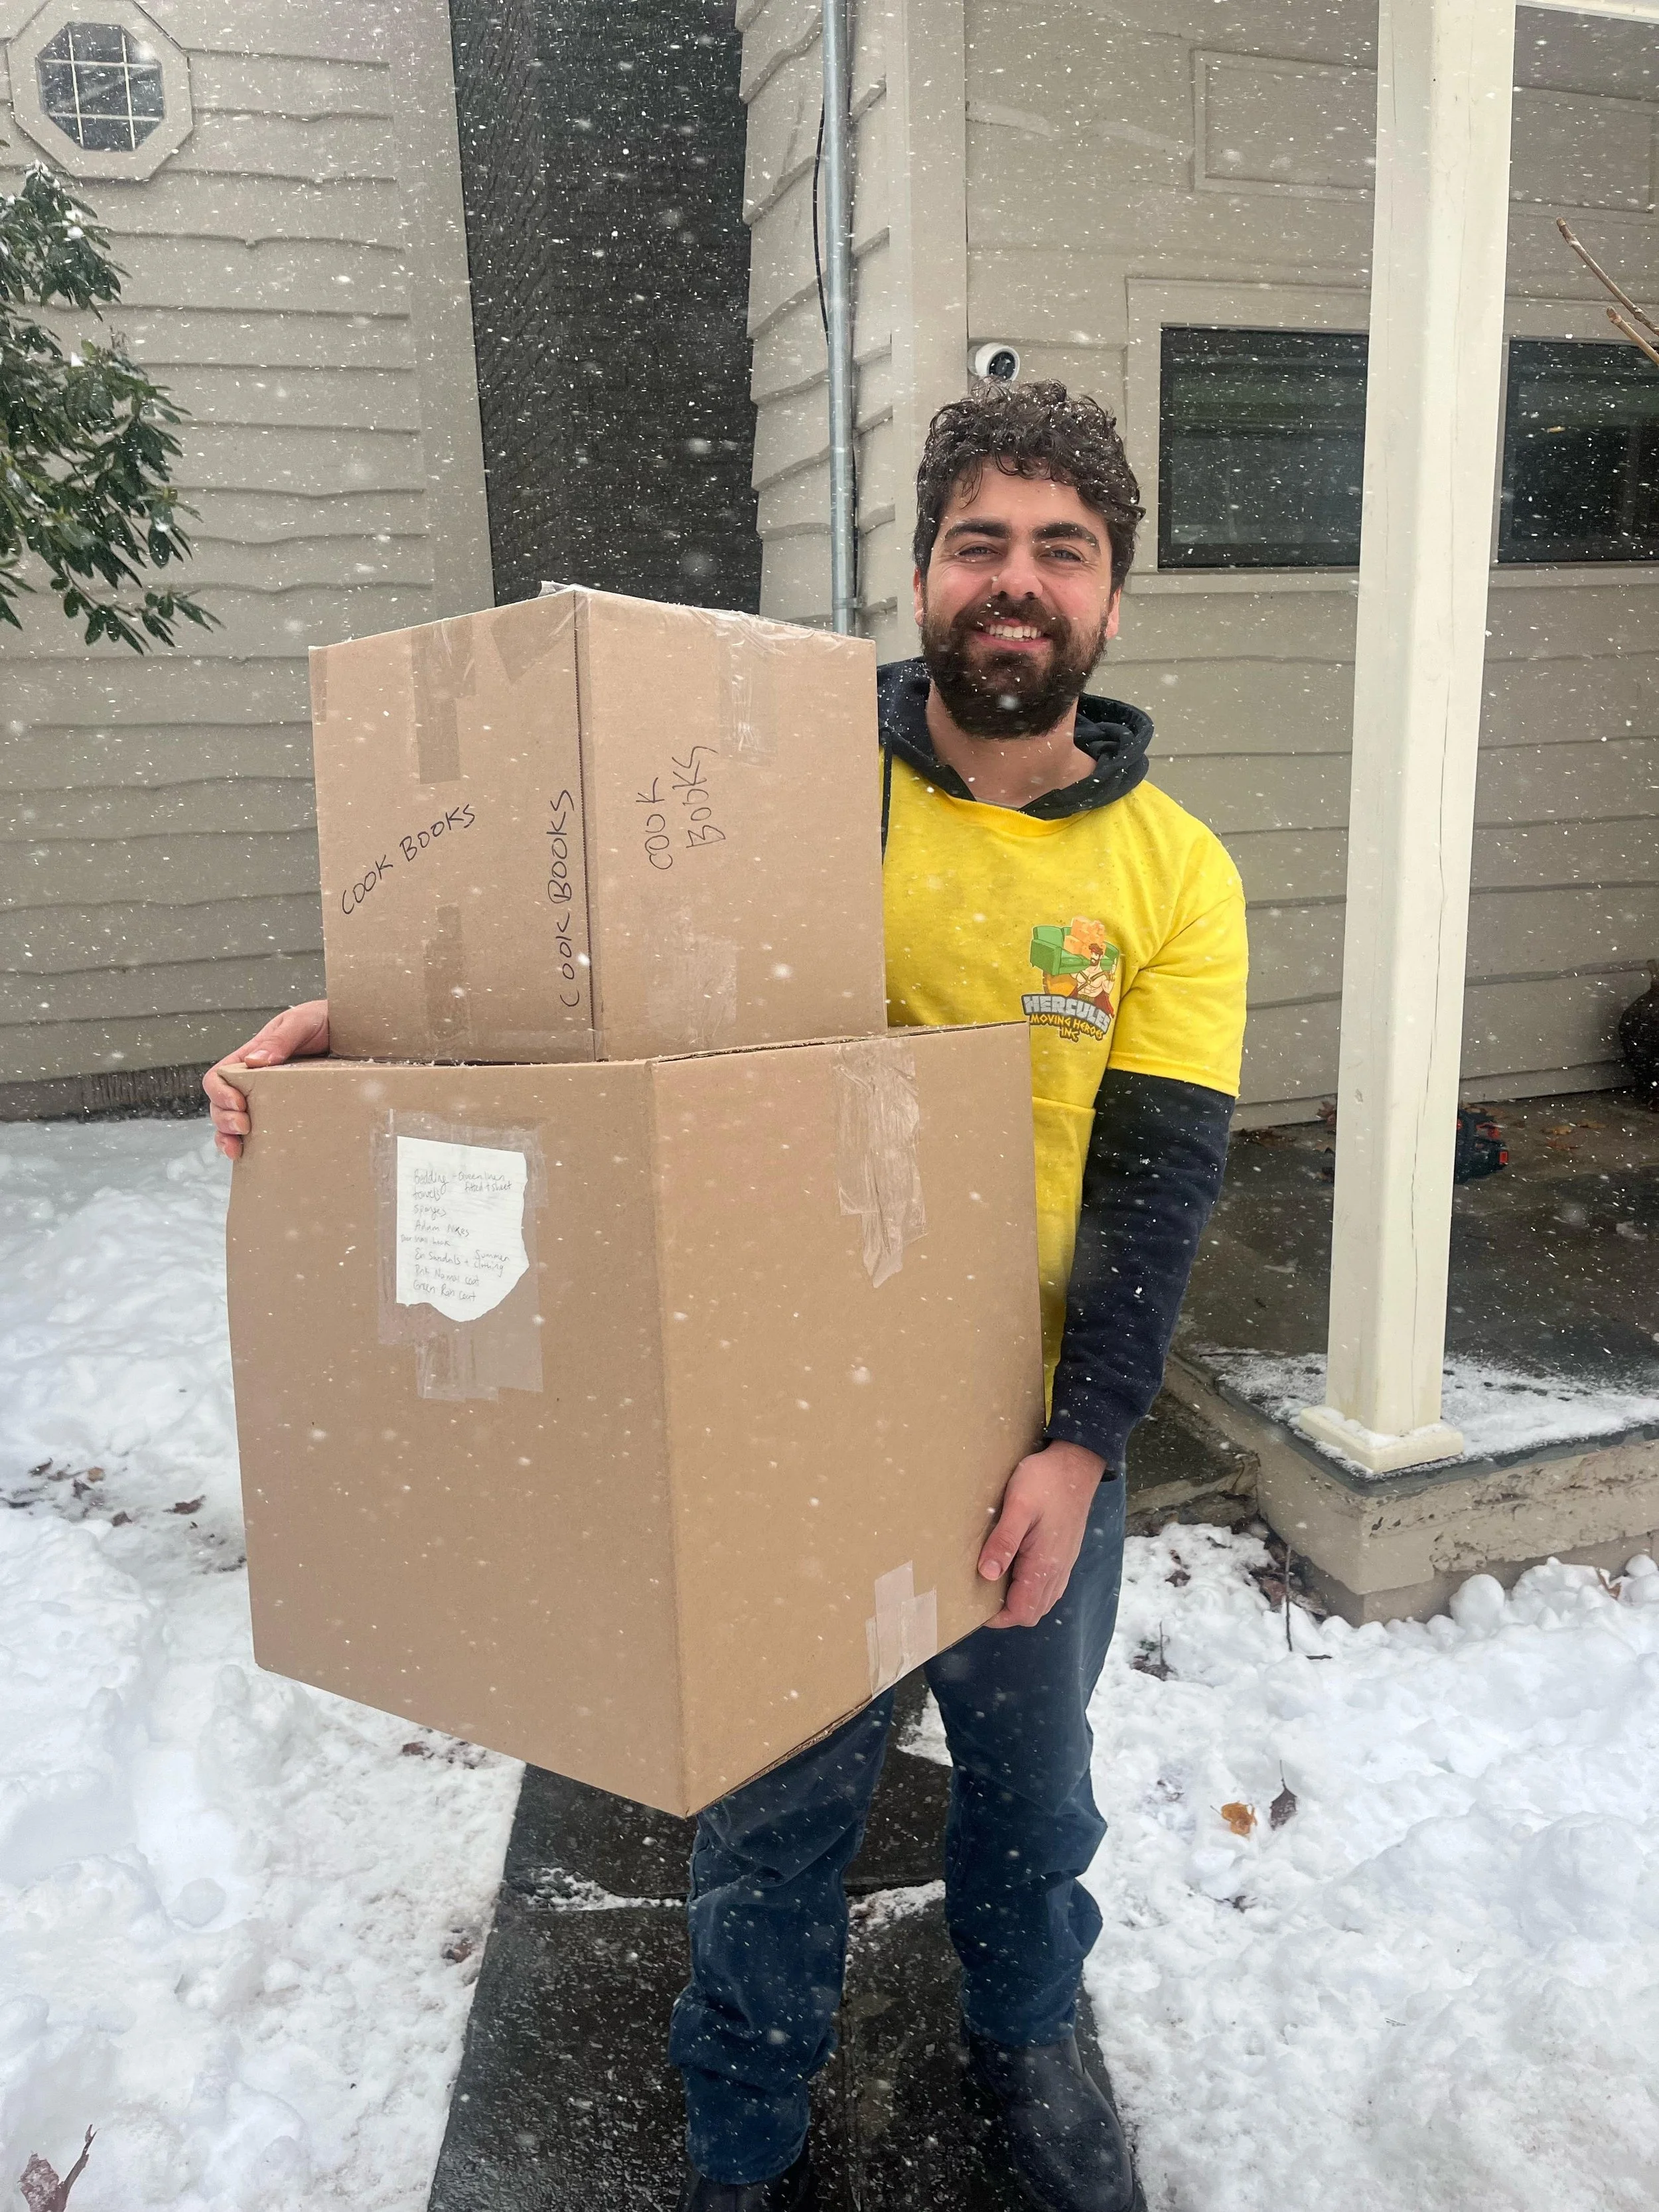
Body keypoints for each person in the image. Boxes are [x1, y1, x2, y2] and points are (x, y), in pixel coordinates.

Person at [204, 380, 1248, 2212]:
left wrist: (1082, 1442)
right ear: (922, 573)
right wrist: (342, 1040)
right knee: (771, 1818)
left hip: (1024, 1430)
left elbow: (1155, 1191)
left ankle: (1018, 2040)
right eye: (977, 544)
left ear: (1109, 597)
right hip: (778, 1411)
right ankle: (743, 2122)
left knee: (1030, 1795)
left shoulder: (1172, 876)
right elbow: (566, 975)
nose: (1015, 584)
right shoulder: (781, 784)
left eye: (1058, 553)